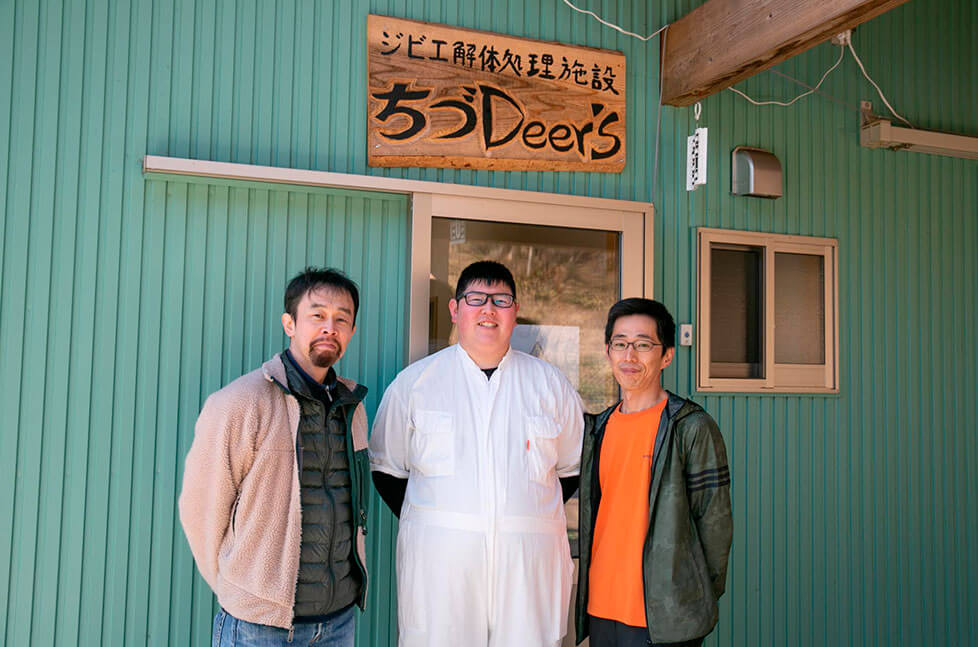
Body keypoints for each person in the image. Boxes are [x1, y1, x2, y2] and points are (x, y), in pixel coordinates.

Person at [369, 260, 584, 647]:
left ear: (515, 312)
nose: (489, 309)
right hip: (441, 576)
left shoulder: (549, 385)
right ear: (455, 310)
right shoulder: (415, 384)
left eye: (501, 300)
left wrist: (515, 514)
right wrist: (444, 523)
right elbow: (387, 471)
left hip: (527, 576)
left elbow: (572, 468)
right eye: (476, 299)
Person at [179, 267, 370, 647]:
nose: (329, 327)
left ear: (351, 330)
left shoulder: (353, 408)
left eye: (341, 319)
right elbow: (200, 510)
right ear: (290, 324)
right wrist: (243, 592)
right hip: (259, 628)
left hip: (338, 622)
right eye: (317, 315)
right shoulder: (240, 403)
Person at [575, 298, 732, 647]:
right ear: (608, 352)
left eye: (643, 345)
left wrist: (690, 601)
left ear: (667, 356)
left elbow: (715, 525)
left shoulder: (690, 426)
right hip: (602, 608)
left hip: (663, 617)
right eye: (620, 344)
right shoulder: (597, 429)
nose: (629, 356)